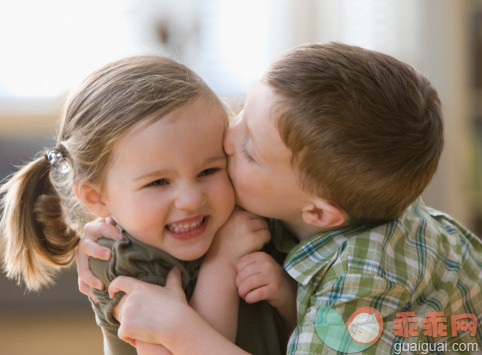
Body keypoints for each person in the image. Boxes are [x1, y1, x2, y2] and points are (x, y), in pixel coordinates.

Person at [77, 42, 482, 354]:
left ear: (318, 213)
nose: (228, 140)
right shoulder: (350, 190)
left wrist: (181, 330)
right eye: (241, 116)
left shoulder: (362, 280)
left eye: (250, 150)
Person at [0, 56, 293, 354]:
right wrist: (223, 260)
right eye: (158, 183)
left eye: (208, 171)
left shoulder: (240, 218)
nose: (191, 199)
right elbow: (190, 344)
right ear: (96, 197)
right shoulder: (123, 262)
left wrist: (286, 296)